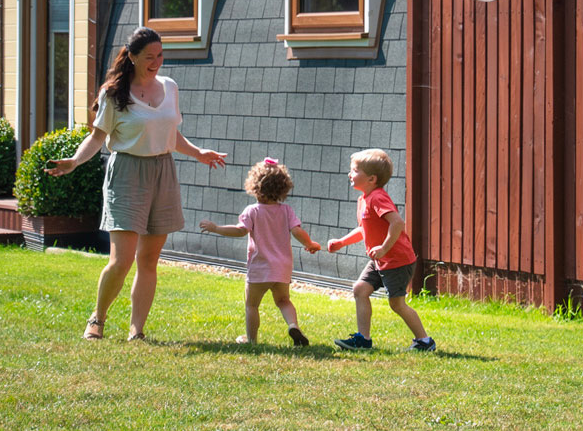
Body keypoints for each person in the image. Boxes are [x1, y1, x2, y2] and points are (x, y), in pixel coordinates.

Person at [47, 27, 227, 341]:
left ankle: (137, 330)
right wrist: (74, 161)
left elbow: (170, 133)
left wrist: (198, 153)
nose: (156, 62)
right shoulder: (115, 94)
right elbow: (97, 137)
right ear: (132, 57)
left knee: (148, 260)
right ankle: (98, 319)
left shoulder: (169, 87)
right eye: (149, 57)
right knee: (122, 259)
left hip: (163, 172)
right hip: (127, 172)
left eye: (160, 55)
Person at [199, 157, 320, 346]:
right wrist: (310, 243)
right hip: (282, 267)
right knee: (283, 300)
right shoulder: (286, 210)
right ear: (283, 189)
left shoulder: (252, 211)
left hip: (260, 266)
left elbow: (240, 231)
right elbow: (297, 231)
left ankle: (251, 340)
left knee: (252, 305)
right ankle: (293, 325)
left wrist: (216, 228)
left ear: (255, 186)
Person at [327, 148, 435, 351]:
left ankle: (424, 341)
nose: (350, 174)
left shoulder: (377, 198)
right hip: (380, 259)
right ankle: (363, 340)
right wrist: (341, 242)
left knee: (397, 304)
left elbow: (397, 223)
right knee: (360, 289)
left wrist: (385, 248)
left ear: (371, 179)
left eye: (355, 170)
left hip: (397, 260)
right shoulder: (363, 200)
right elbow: (363, 229)